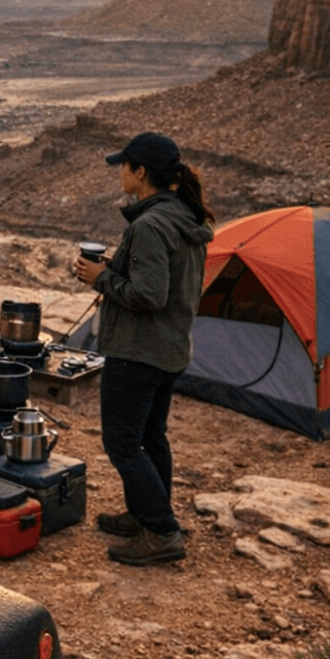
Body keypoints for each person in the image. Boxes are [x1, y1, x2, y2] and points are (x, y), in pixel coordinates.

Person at [74, 131, 214, 565]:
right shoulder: (182, 216)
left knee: (122, 443)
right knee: (150, 436)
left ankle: (161, 532)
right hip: (168, 349)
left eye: (125, 166)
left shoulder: (152, 225)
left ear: (140, 173)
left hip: (139, 352)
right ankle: (146, 514)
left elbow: (149, 295)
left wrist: (100, 278)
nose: (120, 173)